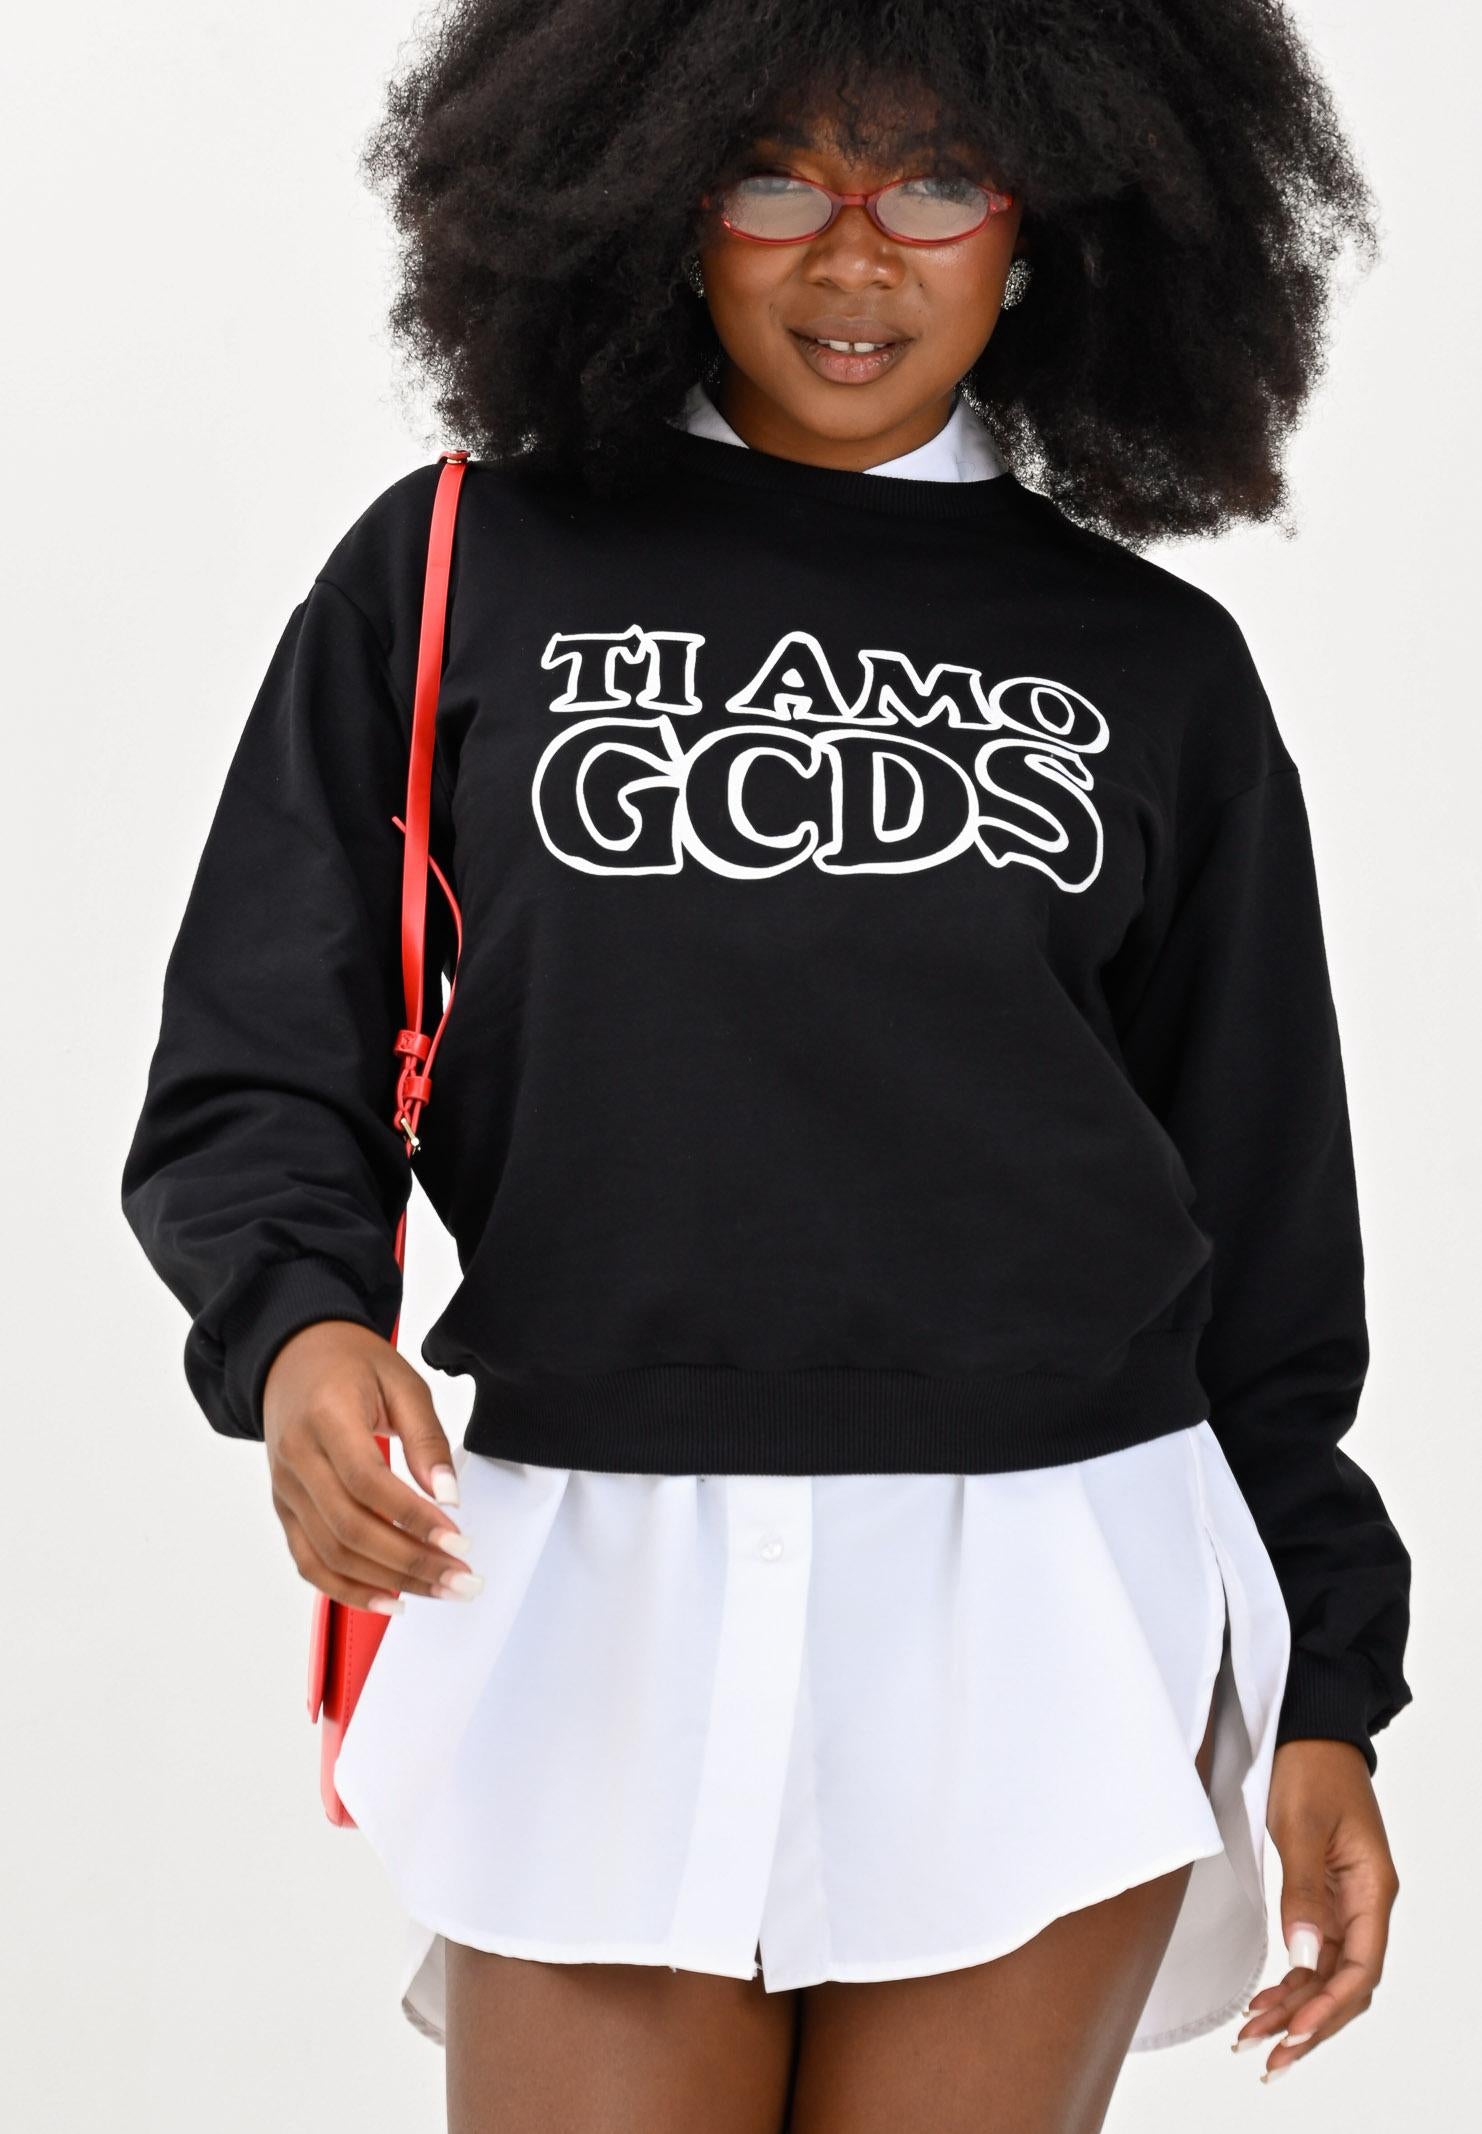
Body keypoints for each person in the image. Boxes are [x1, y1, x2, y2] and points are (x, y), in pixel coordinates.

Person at [119, 3, 1412, 2127]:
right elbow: (260, 1042)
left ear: (1042, 221)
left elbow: (1266, 1229)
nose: (854, 252)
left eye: (935, 181)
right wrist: (297, 1325)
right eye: (774, 174)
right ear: (654, 191)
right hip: (591, 1573)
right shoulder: (457, 572)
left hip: (1050, 1587)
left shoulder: (1158, 670)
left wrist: (1329, 1688)